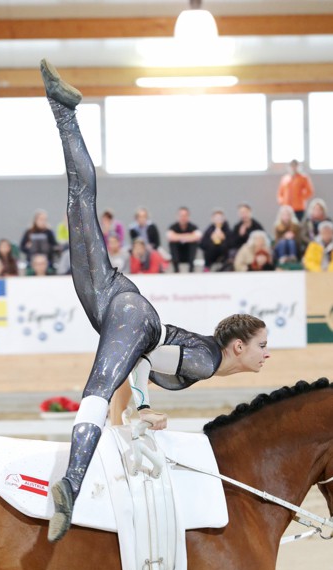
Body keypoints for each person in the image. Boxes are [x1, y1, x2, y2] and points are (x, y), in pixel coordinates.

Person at [40, 59, 270, 542]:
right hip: (132, 315)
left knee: (80, 199)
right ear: (237, 346)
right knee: (96, 393)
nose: (267, 353)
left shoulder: (205, 360)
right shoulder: (206, 360)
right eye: (261, 344)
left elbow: (143, 365)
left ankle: (64, 111)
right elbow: (146, 354)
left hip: (111, 298)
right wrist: (140, 408)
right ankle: (71, 488)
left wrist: (139, 404)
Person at [166, 206, 202, 273]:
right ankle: (176, 269)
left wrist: (178, 237)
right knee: (173, 243)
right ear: (177, 216)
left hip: (189, 254)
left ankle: (191, 269)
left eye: (185, 215)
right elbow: (170, 237)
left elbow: (197, 236)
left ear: (188, 216)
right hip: (178, 255)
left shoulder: (193, 227)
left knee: (193, 243)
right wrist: (188, 236)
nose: (183, 218)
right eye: (181, 215)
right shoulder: (173, 227)